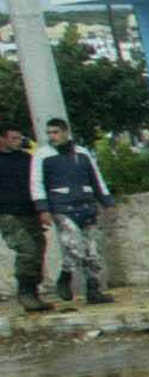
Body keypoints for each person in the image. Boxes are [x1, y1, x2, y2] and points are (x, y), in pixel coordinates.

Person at [32, 118, 115, 306]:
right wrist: (42, 208)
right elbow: (36, 182)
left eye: (55, 132)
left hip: (86, 205)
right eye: (49, 133)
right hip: (62, 207)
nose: (52, 136)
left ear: (65, 132)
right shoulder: (43, 155)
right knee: (74, 246)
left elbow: (96, 178)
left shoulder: (82, 153)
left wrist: (107, 200)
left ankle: (93, 290)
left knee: (93, 250)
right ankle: (65, 275)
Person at [0, 124, 44, 313]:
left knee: (38, 249)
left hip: (30, 211)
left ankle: (33, 293)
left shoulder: (27, 159)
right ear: (2, 139)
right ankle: (25, 293)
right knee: (27, 250)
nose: (18, 142)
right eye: (13, 138)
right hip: (8, 213)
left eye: (19, 138)